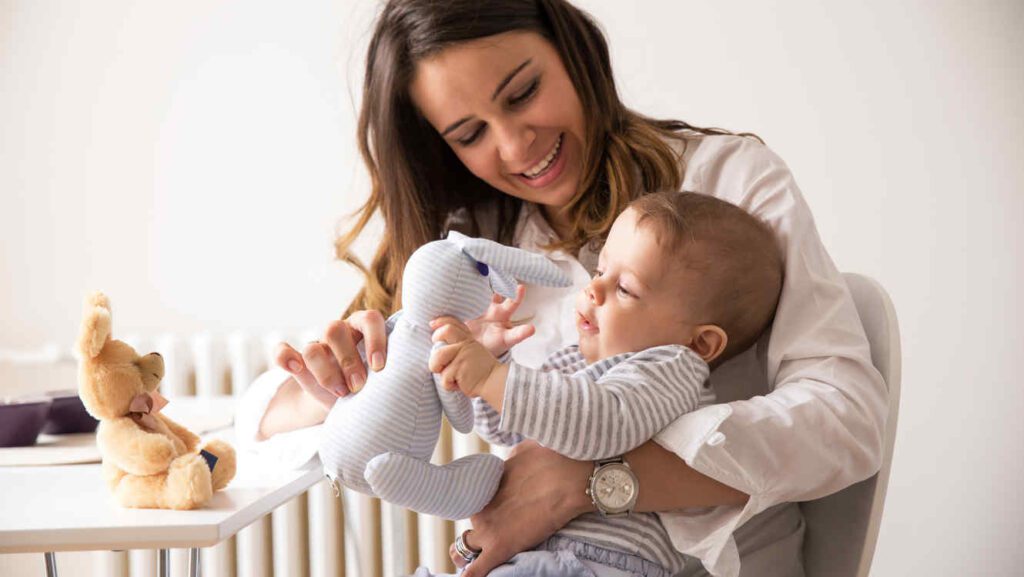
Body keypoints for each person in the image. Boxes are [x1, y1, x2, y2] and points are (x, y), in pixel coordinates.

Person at [233, 1, 888, 576]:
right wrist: (337, 380)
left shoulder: (728, 183)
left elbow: (846, 421)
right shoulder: (471, 249)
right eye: (470, 134)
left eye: (522, 93)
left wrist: (590, 480)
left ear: (572, 52)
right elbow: (255, 426)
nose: (516, 147)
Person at [418, 191, 783, 576]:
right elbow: (505, 428)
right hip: (543, 554)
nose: (593, 290)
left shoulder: (672, 367)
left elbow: (599, 427)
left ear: (700, 343)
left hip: (596, 561)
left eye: (624, 288)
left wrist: (492, 378)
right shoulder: (573, 359)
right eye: (599, 271)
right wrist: (492, 361)